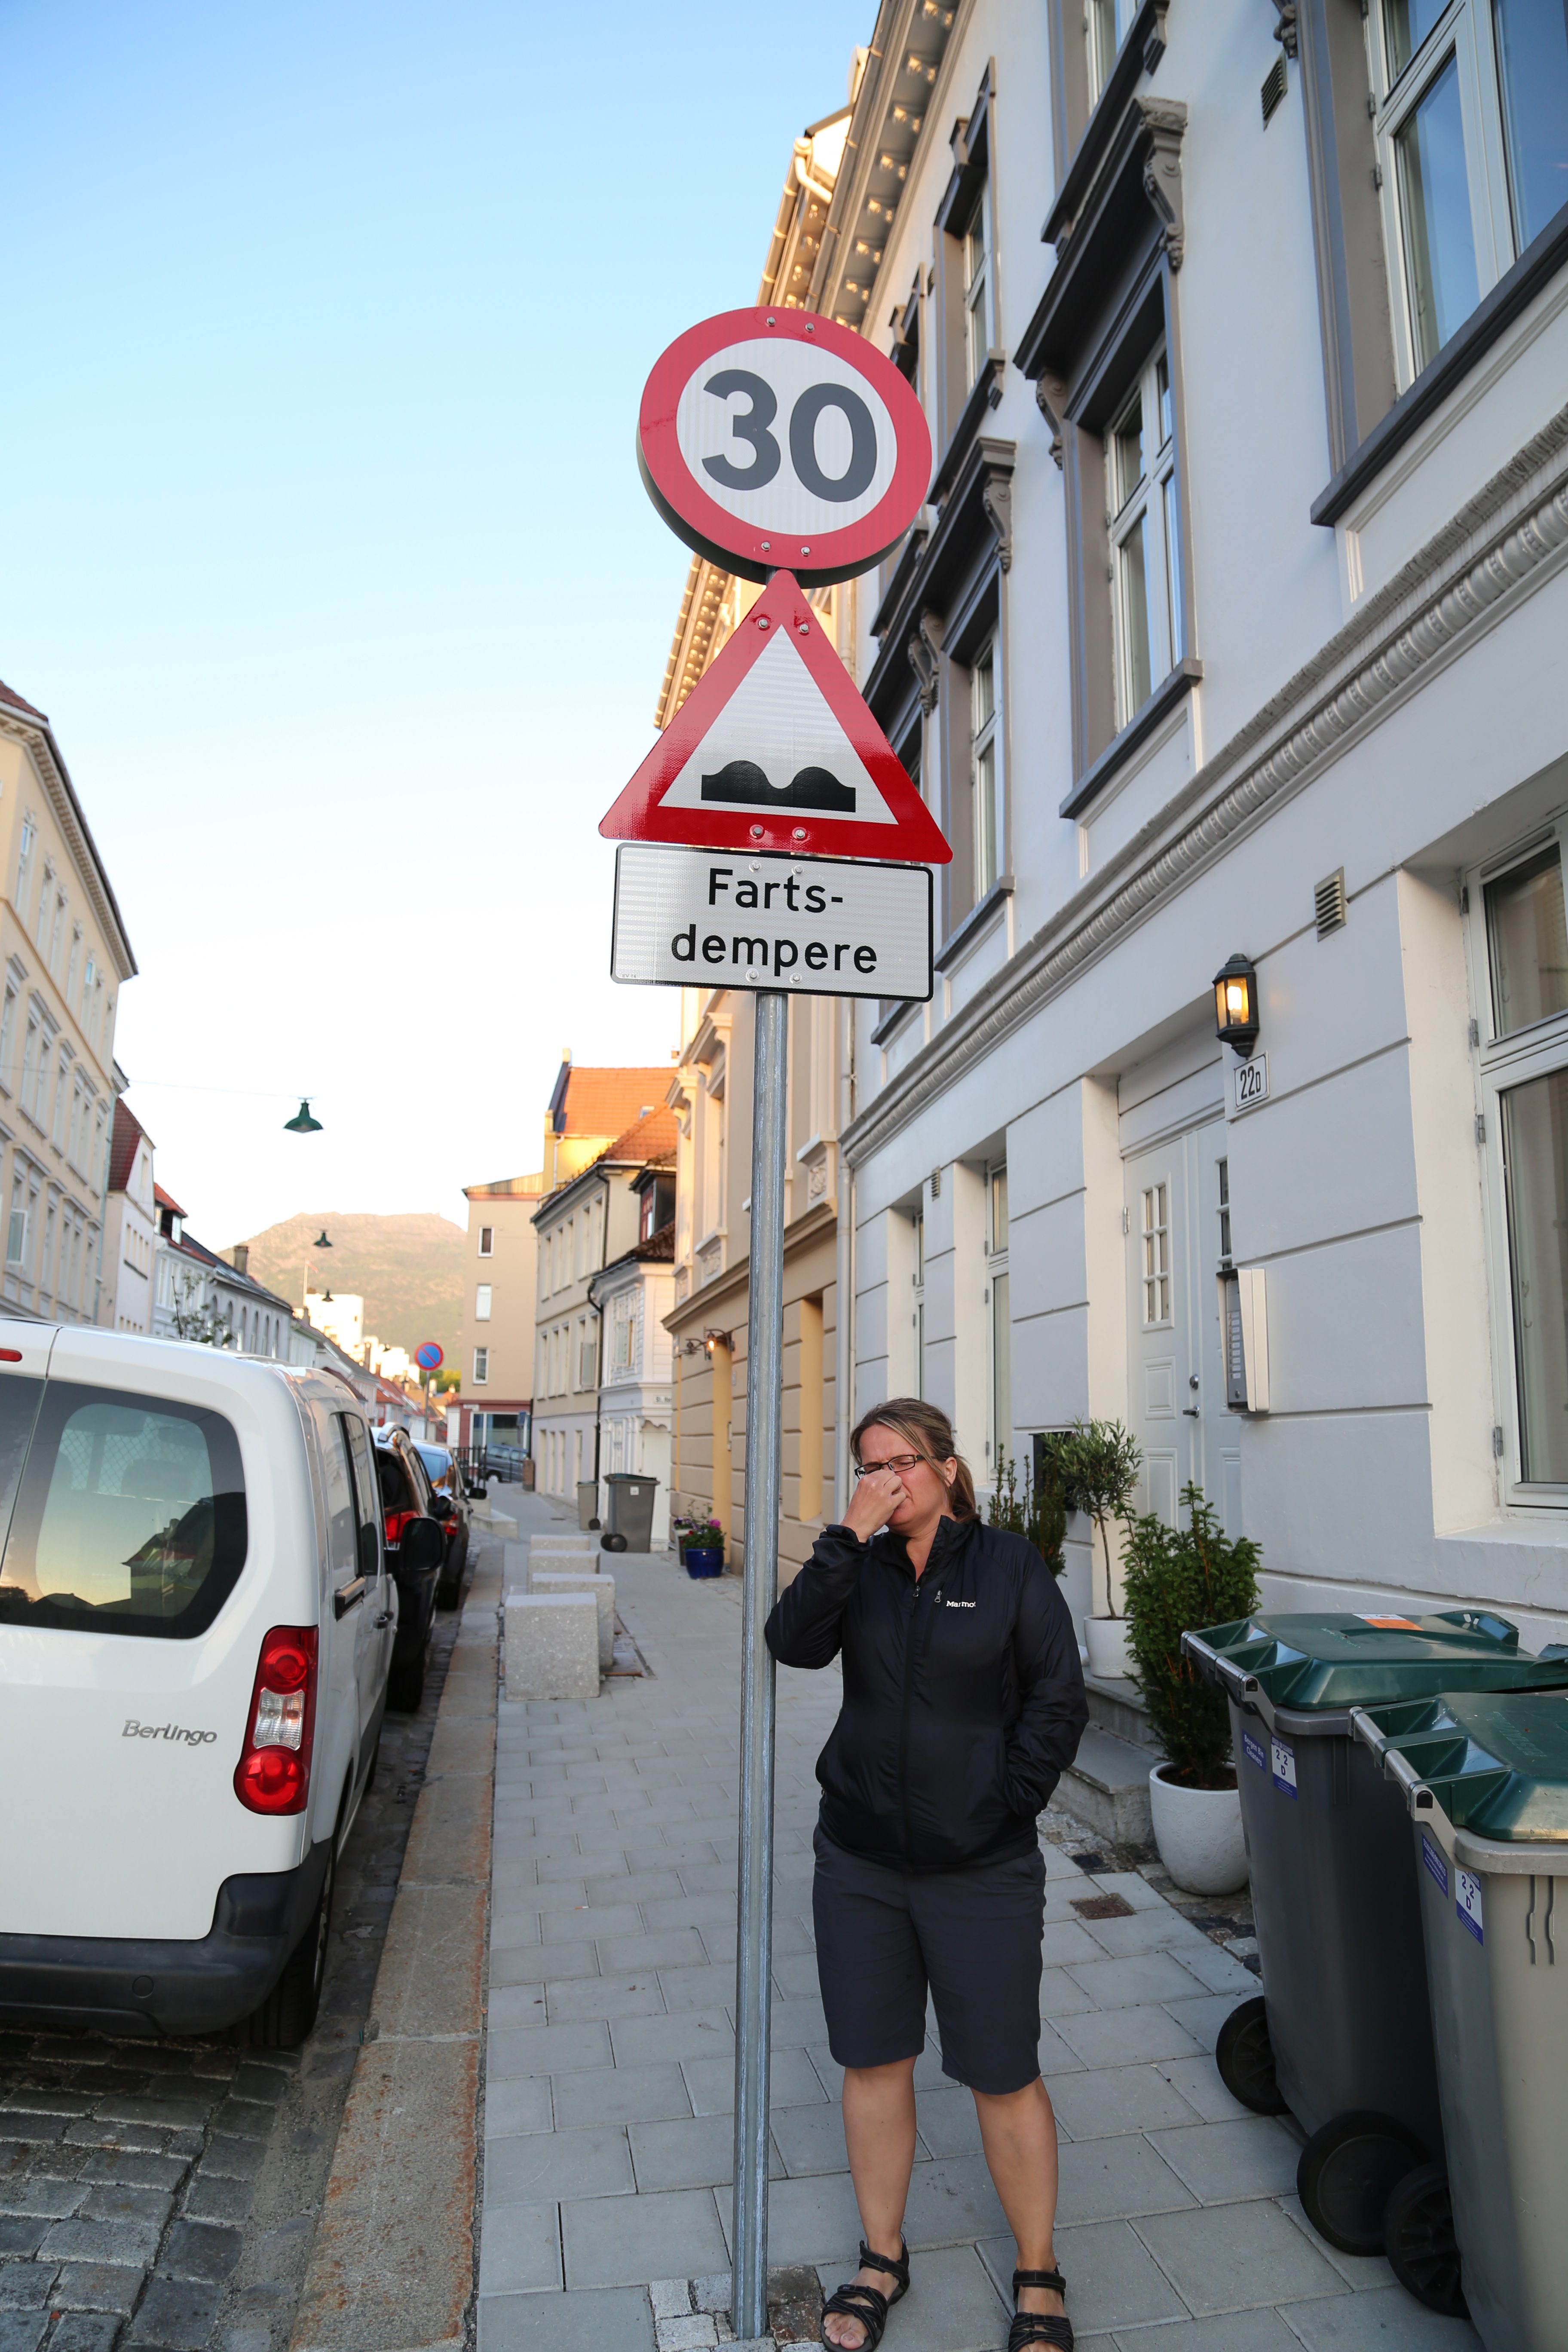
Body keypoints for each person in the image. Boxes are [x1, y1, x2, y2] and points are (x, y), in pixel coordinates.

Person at [765, 1399, 1087, 2352]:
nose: (887, 1480)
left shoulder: (1007, 1567)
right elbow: (791, 1643)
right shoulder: (854, 1567)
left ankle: (1039, 2274)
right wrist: (843, 1539)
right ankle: (881, 2256)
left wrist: (1002, 1800)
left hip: (980, 1868)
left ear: (947, 1469)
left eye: (903, 1462)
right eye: (870, 1466)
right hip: (860, 1859)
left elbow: (1058, 1700)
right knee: (873, 2062)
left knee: (1003, 2071)